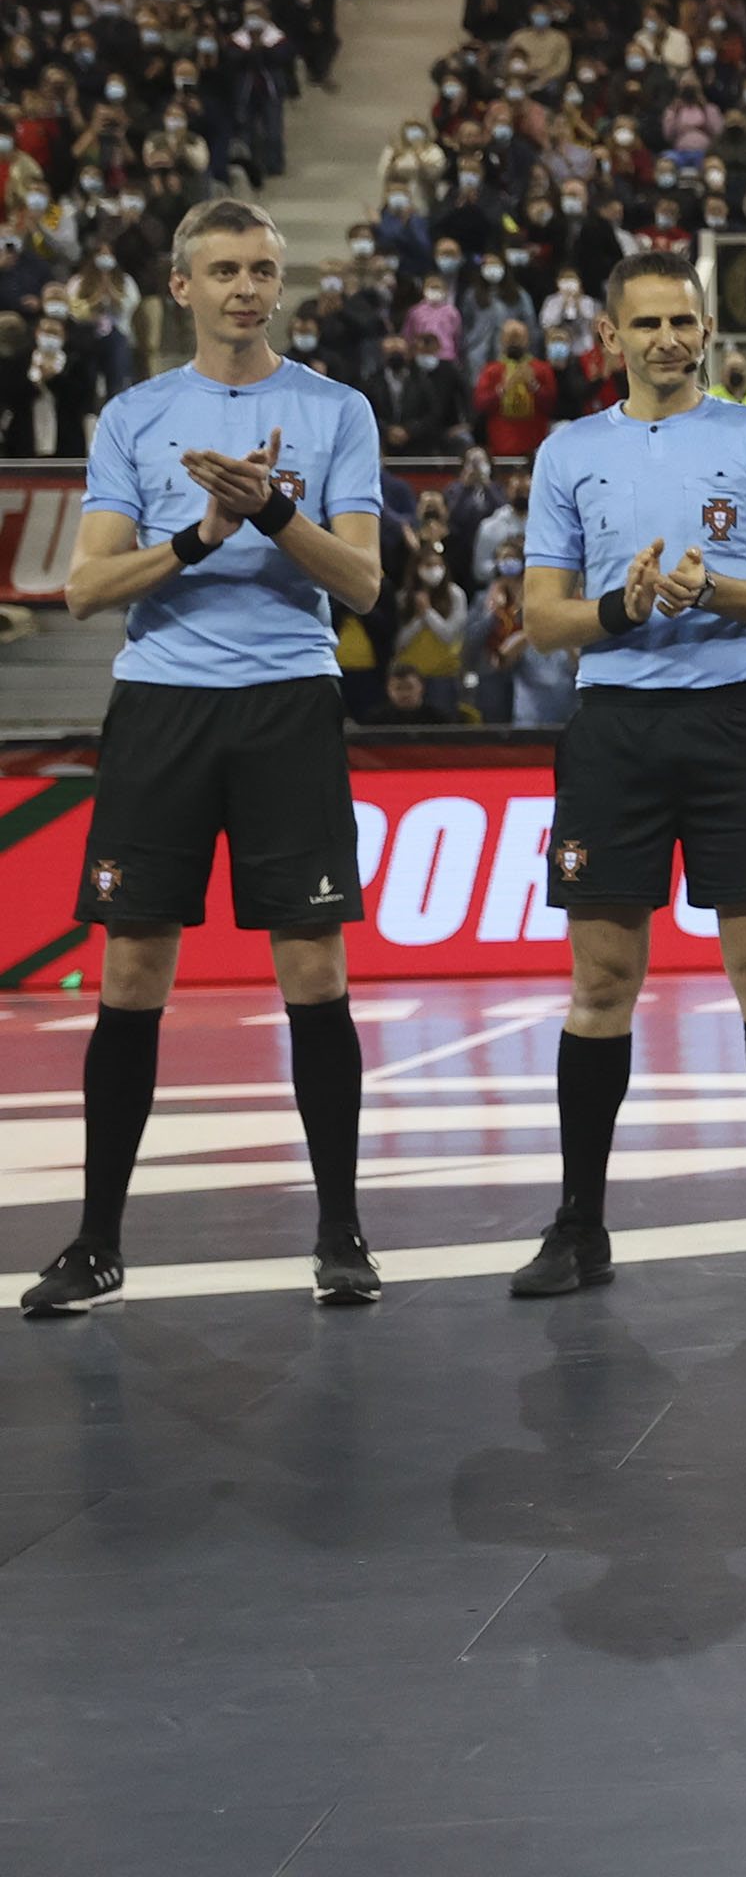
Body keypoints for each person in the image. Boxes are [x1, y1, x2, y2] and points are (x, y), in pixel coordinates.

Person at [28, 202, 388, 1316]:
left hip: (287, 701)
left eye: (262, 269)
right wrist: (201, 536)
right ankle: (96, 1245)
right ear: (179, 286)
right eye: (224, 269)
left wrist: (274, 510)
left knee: (313, 973)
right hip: (163, 708)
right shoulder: (136, 416)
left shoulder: (336, 410)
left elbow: (363, 584)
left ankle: (341, 1235)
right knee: (133, 975)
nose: (245, 287)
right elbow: (85, 588)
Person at [507, 251, 746, 1298]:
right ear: (609, 337)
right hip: (615, 727)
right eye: (644, 322)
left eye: (682, 321)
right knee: (600, 984)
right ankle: (578, 1226)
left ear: (705, 333)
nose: (665, 339)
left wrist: (709, 592)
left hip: (737, 721)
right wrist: (626, 610)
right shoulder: (567, 453)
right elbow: (540, 617)